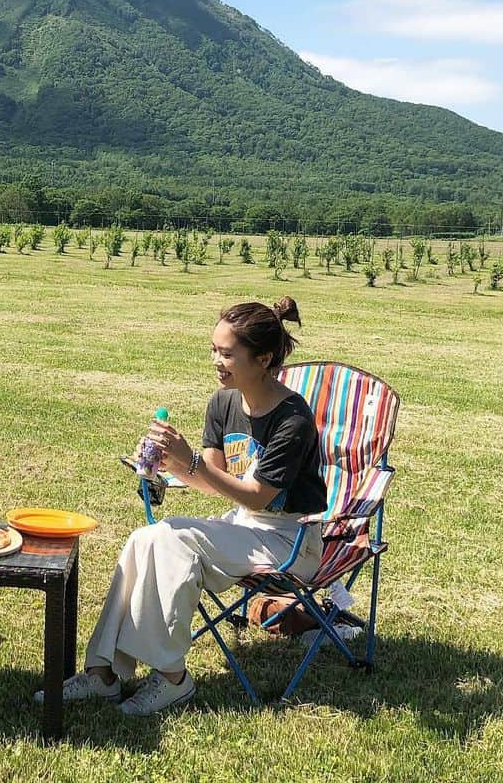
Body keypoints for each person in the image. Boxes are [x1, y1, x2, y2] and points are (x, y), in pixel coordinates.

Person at [37, 296, 326, 716]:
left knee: (175, 540)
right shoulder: (224, 403)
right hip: (244, 526)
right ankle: (102, 673)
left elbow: (256, 495)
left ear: (263, 359)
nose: (216, 360)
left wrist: (189, 461)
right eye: (214, 349)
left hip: (290, 540)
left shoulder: (292, 420)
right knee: (144, 538)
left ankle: (173, 678)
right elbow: (212, 480)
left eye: (227, 353)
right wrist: (166, 463)